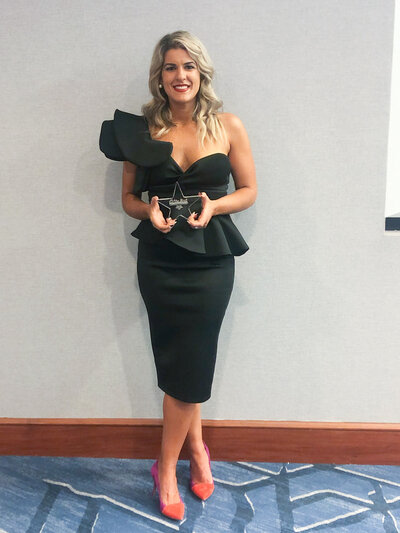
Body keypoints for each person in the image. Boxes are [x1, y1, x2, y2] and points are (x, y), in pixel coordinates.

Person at [99, 30, 257, 521]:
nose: (180, 75)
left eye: (188, 66)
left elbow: (249, 189)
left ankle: (166, 467)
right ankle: (195, 454)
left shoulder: (229, 125)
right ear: (159, 76)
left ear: (201, 72)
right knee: (178, 363)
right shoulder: (141, 132)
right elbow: (127, 200)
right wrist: (148, 212)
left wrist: (215, 205)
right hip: (161, 261)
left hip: (211, 262)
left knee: (192, 362)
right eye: (170, 67)